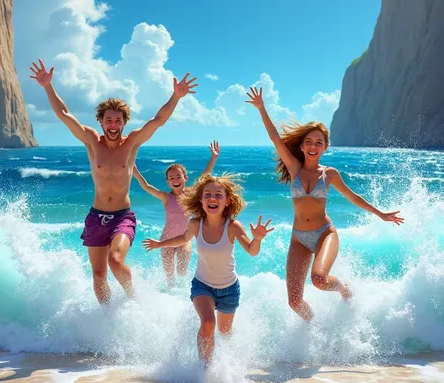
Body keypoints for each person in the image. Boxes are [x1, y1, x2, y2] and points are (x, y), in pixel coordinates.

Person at [29, 58, 197, 305]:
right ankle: (108, 322)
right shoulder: (91, 141)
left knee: (115, 262)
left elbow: (157, 120)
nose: (113, 124)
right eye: (109, 120)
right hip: (96, 216)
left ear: (124, 123)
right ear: (101, 121)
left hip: (122, 217)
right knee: (98, 276)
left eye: (118, 120)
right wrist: (47, 86)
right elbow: (64, 114)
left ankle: (135, 302)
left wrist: (176, 96)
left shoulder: (131, 144)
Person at [245, 85, 404, 321]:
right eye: (308, 141)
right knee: (294, 302)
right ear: (301, 146)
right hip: (299, 237)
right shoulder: (294, 168)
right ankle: (315, 330)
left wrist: (380, 214)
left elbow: (353, 197)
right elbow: (275, 138)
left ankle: (343, 289)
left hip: (324, 233)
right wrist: (261, 108)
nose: (312, 146)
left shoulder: (329, 174)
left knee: (319, 279)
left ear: (325, 147)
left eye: (318, 142)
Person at [143, 173, 274, 365]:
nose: (212, 198)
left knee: (225, 333)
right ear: (201, 200)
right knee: (207, 323)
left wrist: (258, 239)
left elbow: (252, 251)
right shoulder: (196, 223)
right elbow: (183, 238)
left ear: (228, 201)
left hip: (229, 288)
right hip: (202, 285)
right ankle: (204, 369)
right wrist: (160, 244)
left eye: (218, 195)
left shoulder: (233, 226)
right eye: (207, 194)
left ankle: (229, 361)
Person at [133, 142, 221, 286]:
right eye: (172, 178)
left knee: (181, 272)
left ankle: (183, 296)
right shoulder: (166, 197)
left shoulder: (191, 194)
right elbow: (147, 187)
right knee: (169, 276)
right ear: (168, 182)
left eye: (178, 177)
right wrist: (135, 171)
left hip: (184, 240)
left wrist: (214, 158)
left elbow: (205, 177)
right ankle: (169, 297)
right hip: (166, 239)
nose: (175, 180)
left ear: (185, 178)